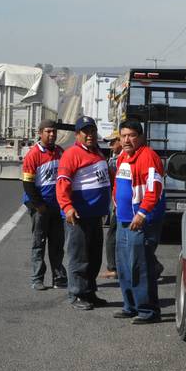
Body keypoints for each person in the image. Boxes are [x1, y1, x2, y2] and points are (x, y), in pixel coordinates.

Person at [56, 116, 112, 311]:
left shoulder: (98, 153)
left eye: (92, 131)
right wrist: (67, 207)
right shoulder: (72, 154)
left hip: (95, 216)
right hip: (78, 216)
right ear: (77, 134)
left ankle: (89, 291)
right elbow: (62, 183)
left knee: (94, 257)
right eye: (85, 132)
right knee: (79, 257)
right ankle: (77, 294)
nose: (90, 135)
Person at [113, 120, 166, 323]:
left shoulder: (149, 157)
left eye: (132, 135)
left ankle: (148, 311)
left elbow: (154, 189)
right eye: (124, 135)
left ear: (141, 137)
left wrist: (142, 213)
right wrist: (116, 205)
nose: (127, 139)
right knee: (124, 266)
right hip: (123, 220)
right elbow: (118, 185)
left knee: (140, 266)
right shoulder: (122, 157)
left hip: (141, 222)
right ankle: (131, 306)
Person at [21, 119, 67, 291]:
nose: (51, 134)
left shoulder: (60, 152)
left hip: (57, 207)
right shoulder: (33, 155)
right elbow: (27, 183)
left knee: (57, 244)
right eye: (48, 131)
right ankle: (37, 278)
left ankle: (59, 277)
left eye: (54, 131)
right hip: (40, 207)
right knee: (39, 243)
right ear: (40, 133)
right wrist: (38, 205)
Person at [99, 130, 123, 280]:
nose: (110, 145)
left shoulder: (117, 160)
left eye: (113, 141)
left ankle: (112, 268)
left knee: (112, 236)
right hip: (118, 202)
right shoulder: (115, 158)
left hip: (120, 204)